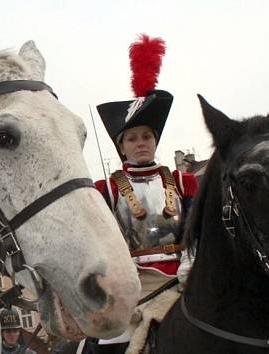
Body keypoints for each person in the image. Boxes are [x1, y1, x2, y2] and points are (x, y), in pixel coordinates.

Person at [86, 34, 198, 354]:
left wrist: (191, 262)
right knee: (110, 344)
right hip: (132, 285)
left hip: (182, 278)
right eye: (132, 137)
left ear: (155, 140)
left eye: (147, 136)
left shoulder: (181, 180)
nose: (141, 142)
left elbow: (196, 227)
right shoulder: (105, 189)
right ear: (122, 146)